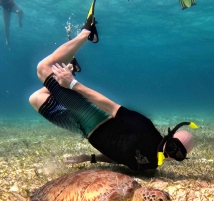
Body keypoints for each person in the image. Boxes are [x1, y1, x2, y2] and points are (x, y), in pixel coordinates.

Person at [29, 0, 197, 171]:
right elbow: (110, 106)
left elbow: (121, 157)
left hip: (84, 131)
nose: (170, 155)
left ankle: (72, 68)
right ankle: (87, 33)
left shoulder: (151, 165)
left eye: (178, 156)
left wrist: (90, 158)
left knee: (36, 99)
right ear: (169, 137)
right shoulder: (144, 128)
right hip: (93, 118)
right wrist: (72, 84)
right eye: (172, 148)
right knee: (43, 68)